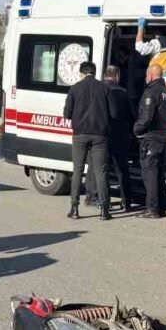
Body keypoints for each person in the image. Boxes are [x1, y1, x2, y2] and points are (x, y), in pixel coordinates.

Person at [61, 61, 112, 220]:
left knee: (77, 170)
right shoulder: (105, 88)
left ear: (81, 73)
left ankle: (74, 208)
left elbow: (67, 114)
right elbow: (113, 113)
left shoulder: (74, 88)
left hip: (80, 135)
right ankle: (104, 210)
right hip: (100, 135)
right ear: (95, 73)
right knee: (100, 171)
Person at [133, 63, 166, 219]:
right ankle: (161, 207)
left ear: (150, 76)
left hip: (151, 138)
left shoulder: (151, 93)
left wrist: (136, 130)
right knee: (159, 174)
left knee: (149, 174)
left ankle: (152, 208)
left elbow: (146, 117)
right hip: (163, 138)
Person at [102, 65, 135, 211]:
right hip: (120, 136)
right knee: (122, 170)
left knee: (103, 170)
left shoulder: (99, 91)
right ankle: (126, 201)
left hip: (103, 135)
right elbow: (131, 115)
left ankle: (104, 201)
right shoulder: (123, 92)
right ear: (117, 76)